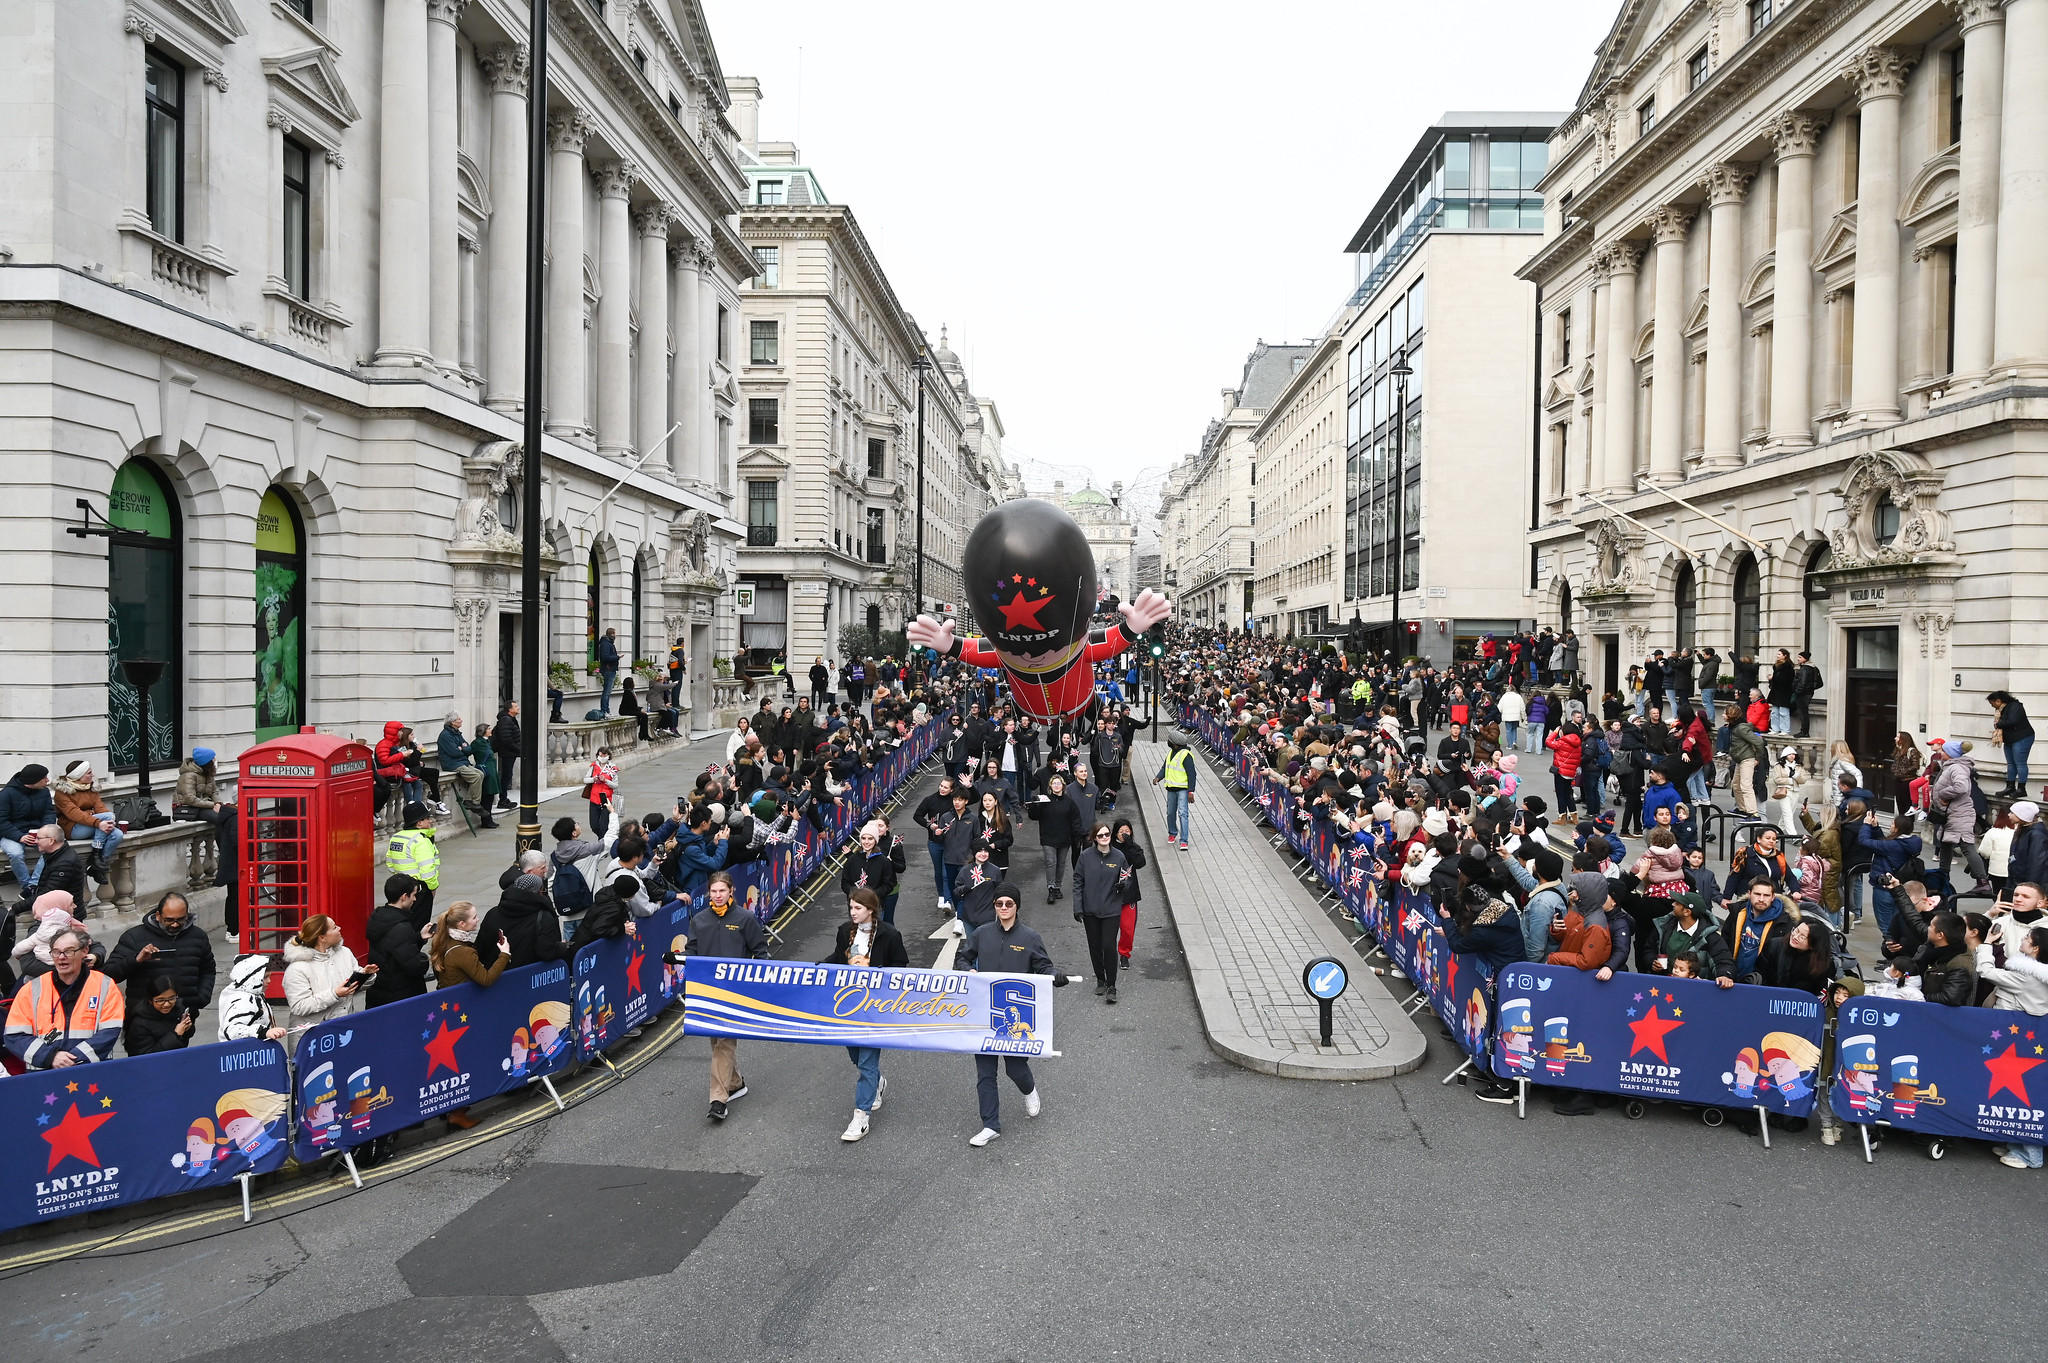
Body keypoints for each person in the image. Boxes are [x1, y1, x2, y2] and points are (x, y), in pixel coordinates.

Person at [960, 881, 1070, 1147]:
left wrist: (1055, 976)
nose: (1004, 908)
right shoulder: (983, 933)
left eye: (1009, 903)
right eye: (999, 904)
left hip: (1015, 1014)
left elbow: (1044, 967)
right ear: (994, 906)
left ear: (1017, 906)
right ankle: (990, 1125)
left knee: (1015, 1067)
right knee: (985, 1073)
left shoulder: (1030, 937)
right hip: (985, 1014)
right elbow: (963, 958)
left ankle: (1029, 1089)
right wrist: (967, 970)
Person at [825, 888, 908, 1143]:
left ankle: (860, 1117)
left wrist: (873, 968)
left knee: (866, 1063)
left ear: (870, 910)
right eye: (851, 908)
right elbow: (838, 958)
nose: (853, 912)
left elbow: (901, 966)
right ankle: (878, 1083)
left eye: (858, 908)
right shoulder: (844, 931)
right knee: (855, 1054)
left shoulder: (890, 934)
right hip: (849, 1005)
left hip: (876, 1008)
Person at [688, 871, 768, 1121]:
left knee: (723, 1042)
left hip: (735, 994)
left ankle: (718, 1100)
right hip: (707, 993)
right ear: (708, 893)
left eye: (722, 890)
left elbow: (761, 951)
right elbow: (691, 952)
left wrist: (758, 986)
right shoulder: (699, 920)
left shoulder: (745, 918)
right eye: (713, 891)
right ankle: (735, 1082)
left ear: (732, 891)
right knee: (716, 1042)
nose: (718, 895)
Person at [429, 900, 511, 1129]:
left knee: (458, 1060)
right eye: (474, 917)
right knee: (464, 1061)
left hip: (451, 1011)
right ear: (463, 924)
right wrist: (504, 955)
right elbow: (485, 979)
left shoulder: (447, 941)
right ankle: (456, 1113)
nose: (478, 920)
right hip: (461, 1013)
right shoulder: (462, 951)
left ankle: (456, 1108)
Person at [5, 928, 123, 1068]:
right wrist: (51, 1057)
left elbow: (110, 1031)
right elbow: (14, 1035)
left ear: (85, 951)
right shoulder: (31, 989)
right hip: (45, 1073)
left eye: (69, 951)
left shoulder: (105, 985)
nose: (61, 957)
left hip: (92, 1072)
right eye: (56, 952)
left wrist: (74, 1059)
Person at [104, 890, 216, 1015]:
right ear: (158, 915)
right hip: (143, 1018)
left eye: (180, 920)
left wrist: (201, 997)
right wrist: (136, 959)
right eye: (169, 920)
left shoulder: (198, 936)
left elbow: (208, 970)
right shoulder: (134, 937)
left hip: (184, 1014)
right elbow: (109, 974)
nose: (174, 925)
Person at [1075, 823, 1134, 1001]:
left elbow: (1127, 878)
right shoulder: (1085, 857)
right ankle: (1100, 979)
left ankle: (1112, 986)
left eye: (1107, 834)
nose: (1104, 838)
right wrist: (1077, 907)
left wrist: (1123, 885)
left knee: (1108, 946)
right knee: (1095, 947)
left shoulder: (1119, 856)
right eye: (1100, 835)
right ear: (1094, 838)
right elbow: (1078, 881)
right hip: (1090, 910)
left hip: (1111, 910)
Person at [1927, 739, 1992, 896]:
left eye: (1943, 750)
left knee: (1966, 845)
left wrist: (1943, 794)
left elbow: (1961, 787)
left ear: (1950, 754)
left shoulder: (1957, 767)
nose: (1940, 752)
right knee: (1945, 844)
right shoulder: (1952, 766)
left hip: (1959, 814)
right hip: (1951, 814)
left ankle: (1982, 882)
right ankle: (1943, 876)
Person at [282, 915, 371, 1028]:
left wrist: (365, 974)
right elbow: (299, 1006)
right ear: (322, 938)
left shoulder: (345, 953)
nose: (339, 928)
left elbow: (356, 986)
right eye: (334, 927)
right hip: (314, 1035)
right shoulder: (297, 968)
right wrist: (334, 994)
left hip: (346, 1027)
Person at [478, 873, 577, 968]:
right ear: (539, 892)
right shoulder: (543, 917)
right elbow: (546, 952)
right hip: (526, 977)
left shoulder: (493, 913)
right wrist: (562, 947)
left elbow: (480, 948)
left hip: (495, 975)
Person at [365, 874, 431, 1008]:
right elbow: (415, 966)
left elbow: (392, 949)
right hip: (400, 997)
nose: (415, 899)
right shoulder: (401, 927)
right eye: (413, 894)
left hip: (380, 992)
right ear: (404, 897)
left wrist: (418, 937)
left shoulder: (378, 916)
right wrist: (425, 959)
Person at [53, 761, 122, 881]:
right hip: (73, 828)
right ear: (78, 776)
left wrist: (108, 822)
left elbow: (101, 809)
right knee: (108, 816)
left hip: (91, 825)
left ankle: (98, 865)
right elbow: (74, 814)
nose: (93, 775)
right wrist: (98, 822)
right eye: (89, 773)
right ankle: (96, 852)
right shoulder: (62, 792)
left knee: (118, 834)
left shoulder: (91, 788)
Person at [1, 763, 58, 887]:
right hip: (12, 834)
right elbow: (2, 821)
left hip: (38, 831)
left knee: (52, 848)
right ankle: (27, 887)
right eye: (44, 778)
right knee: (15, 854)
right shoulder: (6, 794)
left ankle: (34, 883)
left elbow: (49, 812)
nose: (47, 781)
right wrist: (19, 837)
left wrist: (45, 830)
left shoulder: (44, 792)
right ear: (34, 780)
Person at [385, 801, 442, 922]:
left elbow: (390, 864)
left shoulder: (396, 837)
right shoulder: (421, 840)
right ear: (419, 823)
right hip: (419, 890)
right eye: (427, 818)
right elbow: (427, 869)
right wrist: (432, 888)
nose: (430, 821)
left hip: (401, 886)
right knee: (419, 927)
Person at [15, 824, 88, 914]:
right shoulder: (53, 855)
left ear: (51, 841)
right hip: (57, 914)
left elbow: (47, 894)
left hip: (66, 918)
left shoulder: (65, 863)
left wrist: (15, 908)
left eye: (39, 838)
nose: (36, 841)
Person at [436, 714, 492, 826]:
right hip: (452, 764)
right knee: (475, 776)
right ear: (453, 722)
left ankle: (472, 800)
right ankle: (475, 803)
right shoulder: (446, 735)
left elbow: (469, 748)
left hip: (463, 761)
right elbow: (454, 752)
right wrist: (462, 749)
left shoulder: (457, 733)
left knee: (480, 773)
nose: (461, 720)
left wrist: (462, 748)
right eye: (459, 719)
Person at [217, 952, 286, 1042]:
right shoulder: (243, 1000)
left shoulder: (253, 994)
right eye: (265, 977)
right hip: (243, 1052)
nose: (269, 981)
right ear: (251, 977)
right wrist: (263, 1032)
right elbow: (232, 1030)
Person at [838, 821, 900, 921]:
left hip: (875, 906)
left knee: (875, 935)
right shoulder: (852, 860)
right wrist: (856, 895)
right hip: (855, 906)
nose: (866, 842)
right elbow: (844, 882)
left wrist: (871, 896)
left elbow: (888, 885)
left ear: (875, 840)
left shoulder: (884, 861)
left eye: (870, 839)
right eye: (863, 838)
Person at [124, 973, 197, 1057]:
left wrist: (187, 1028)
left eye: (171, 998)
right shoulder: (139, 1023)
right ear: (150, 1000)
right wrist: (176, 1035)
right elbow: (146, 1057)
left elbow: (185, 1038)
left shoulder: (178, 1008)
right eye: (160, 1000)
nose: (166, 1004)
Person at [1110, 816, 1148, 968]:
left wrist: (1130, 845)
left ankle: (1124, 954)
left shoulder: (1133, 847)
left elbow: (1140, 863)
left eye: (1127, 831)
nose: (1124, 834)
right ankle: (1108, 954)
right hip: (1111, 895)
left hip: (1129, 894)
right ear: (1115, 833)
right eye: (1121, 831)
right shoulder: (1109, 846)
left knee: (1127, 928)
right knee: (1108, 929)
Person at [1152, 736, 1196, 850]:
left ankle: (1184, 841)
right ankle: (1172, 833)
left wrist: (1191, 791)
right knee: (1170, 812)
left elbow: (1192, 774)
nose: (1168, 742)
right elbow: (1165, 768)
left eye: (1170, 741)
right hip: (1171, 788)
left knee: (1183, 813)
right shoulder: (1171, 753)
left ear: (1176, 743)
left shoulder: (1186, 756)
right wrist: (1158, 777)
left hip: (1182, 789)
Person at [1989, 690, 2034, 796]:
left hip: (2022, 737)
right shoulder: (2003, 709)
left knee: (2020, 763)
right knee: (2010, 763)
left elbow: (2013, 721)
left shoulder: (2015, 707)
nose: (1992, 706)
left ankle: (2021, 789)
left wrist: (1999, 724)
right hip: (2010, 739)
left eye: (1992, 703)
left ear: (1998, 701)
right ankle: (2010, 786)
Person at [491, 702, 522, 810]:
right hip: (507, 752)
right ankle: (502, 799)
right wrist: (519, 749)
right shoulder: (506, 720)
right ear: (510, 709)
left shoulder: (510, 719)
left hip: (510, 752)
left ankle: (504, 798)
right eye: (516, 707)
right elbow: (506, 739)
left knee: (508, 775)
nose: (518, 708)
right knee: (506, 776)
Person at [587, 745, 619, 839]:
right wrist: (594, 779)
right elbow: (585, 780)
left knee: (603, 827)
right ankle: (604, 839)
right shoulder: (593, 766)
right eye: (600, 755)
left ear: (608, 756)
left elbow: (615, 785)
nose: (602, 757)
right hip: (594, 798)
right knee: (594, 826)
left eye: (604, 755)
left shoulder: (612, 768)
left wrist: (606, 781)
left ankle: (602, 842)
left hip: (606, 799)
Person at [596, 627, 621, 715]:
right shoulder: (606, 644)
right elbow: (605, 657)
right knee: (607, 691)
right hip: (608, 669)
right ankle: (605, 710)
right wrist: (617, 657)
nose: (615, 635)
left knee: (608, 691)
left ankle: (606, 709)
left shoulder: (608, 643)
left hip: (610, 669)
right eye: (614, 634)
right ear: (611, 634)